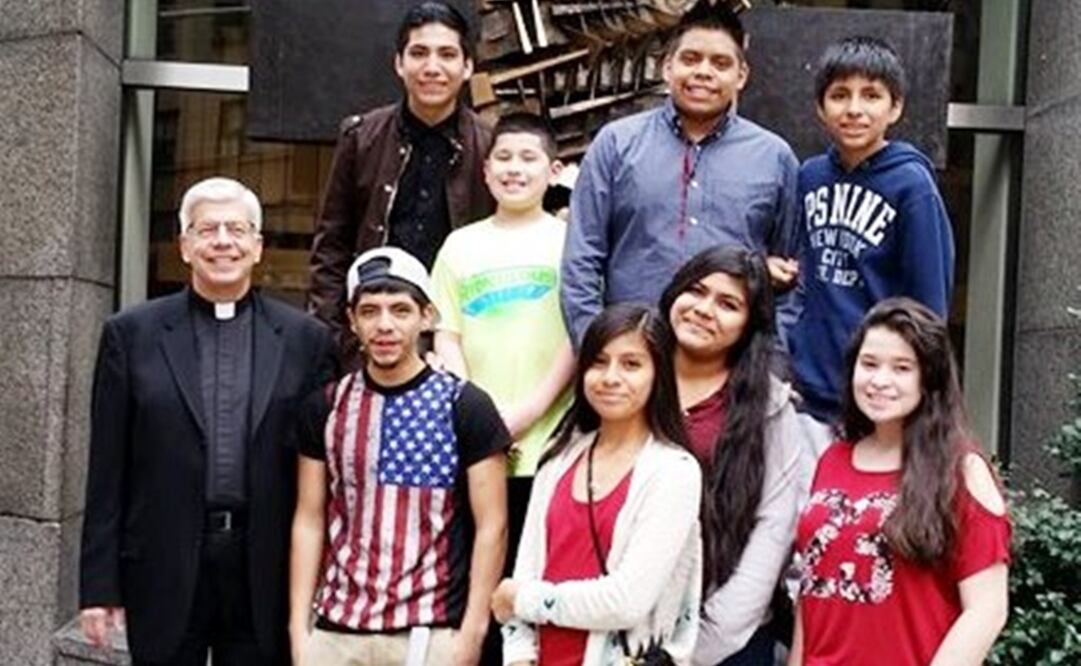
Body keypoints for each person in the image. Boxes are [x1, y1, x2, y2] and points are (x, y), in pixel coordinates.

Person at [78, 177, 338, 665]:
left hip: (265, 566)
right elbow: (107, 468)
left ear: (257, 247)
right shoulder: (130, 335)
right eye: (208, 229)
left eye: (237, 230)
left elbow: (321, 472)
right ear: (185, 245)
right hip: (163, 559)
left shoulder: (307, 341)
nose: (223, 242)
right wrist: (98, 586)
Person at [289, 246, 509, 666]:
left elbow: (492, 526)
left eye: (400, 310)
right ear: (352, 321)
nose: (384, 325)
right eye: (369, 311)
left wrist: (472, 633)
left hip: (430, 631)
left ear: (427, 316)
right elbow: (309, 518)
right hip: (337, 630)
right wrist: (300, 631)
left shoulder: (465, 406)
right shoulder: (326, 406)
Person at [560, 1, 800, 347]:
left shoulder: (774, 158)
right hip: (634, 355)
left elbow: (792, 275)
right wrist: (597, 348)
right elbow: (581, 260)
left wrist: (771, 359)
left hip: (731, 368)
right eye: (690, 59)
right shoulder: (616, 144)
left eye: (720, 63)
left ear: (741, 76)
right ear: (667, 67)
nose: (703, 72)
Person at [789, 298, 1010, 666]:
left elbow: (987, 609)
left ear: (929, 378)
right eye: (869, 364)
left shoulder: (962, 469)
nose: (880, 381)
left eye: (902, 367)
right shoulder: (833, 459)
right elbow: (813, 588)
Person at [492, 304, 703, 665]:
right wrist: (518, 656)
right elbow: (525, 571)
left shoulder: (674, 471)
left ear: (659, 375)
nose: (610, 377)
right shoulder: (558, 460)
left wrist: (524, 599)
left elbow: (626, 601)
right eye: (599, 361)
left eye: (631, 364)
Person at [308, 1, 495, 358]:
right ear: (399, 63)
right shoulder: (361, 138)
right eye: (419, 53)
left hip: (454, 341)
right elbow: (331, 247)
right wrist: (331, 339)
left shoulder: (489, 146)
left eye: (447, 54)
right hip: (370, 333)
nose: (432, 68)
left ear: (467, 66)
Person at [431, 111, 575, 561]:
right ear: (486, 171)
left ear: (553, 172)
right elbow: (445, 333)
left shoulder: (572, 243)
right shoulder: (460, 245)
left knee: (536, 566)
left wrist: (528, 413)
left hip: (551, 437)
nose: (515, 168)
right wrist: (480, 411)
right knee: (475, 562)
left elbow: (579, 336)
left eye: (528, 158)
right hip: (473, 436)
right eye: (504, 158)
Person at [788, 36, 955, 423]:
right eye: (840, 95)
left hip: (877, 394)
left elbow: (929, 303)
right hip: (809, 388)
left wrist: (917, 389)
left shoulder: (912, 186)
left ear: (895, 107)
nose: (854, 109)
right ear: (820, 107)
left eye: (872, 96)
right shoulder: (810, 176)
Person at [659, 246, 808, 665]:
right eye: (697, 291)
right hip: (622, 627)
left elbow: (773, 530)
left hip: (728, 641)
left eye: (728, 304)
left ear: (749, 325)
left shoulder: (771, 407)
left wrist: (698, 646)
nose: (704, 310)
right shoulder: (628, 378)